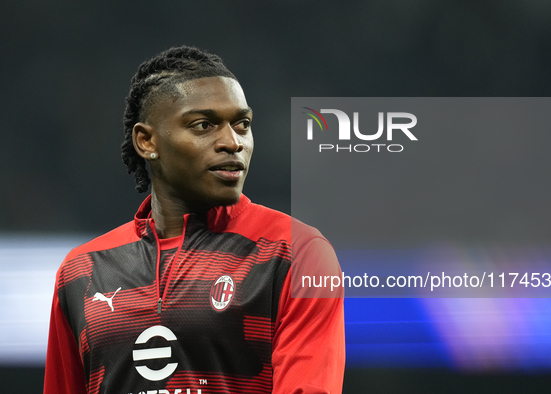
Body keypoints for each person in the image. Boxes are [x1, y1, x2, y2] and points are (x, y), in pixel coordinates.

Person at [43, 46, 345, 394]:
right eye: (204, 125)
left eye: (242, 125)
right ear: (146, 140)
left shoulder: (295, 252)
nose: (233, 142)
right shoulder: (82, 271)